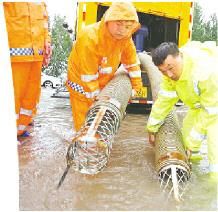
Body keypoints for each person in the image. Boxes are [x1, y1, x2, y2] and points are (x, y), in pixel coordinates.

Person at [146, 41, 218, 183]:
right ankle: (192, 171)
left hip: (214, 108)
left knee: (214, 149)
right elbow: (164, 101)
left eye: (170, 68)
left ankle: (213, 190)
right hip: (200, 107)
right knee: (186, 137)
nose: (169, 74)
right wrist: (152, 127)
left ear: (180, 56)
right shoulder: (169, 75)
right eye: (163, 71)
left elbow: (211, 112)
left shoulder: (206, 72)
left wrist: (193, 142)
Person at [66, 2, 143, 132]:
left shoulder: (125, 38)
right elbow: (88, 75)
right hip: (81, 86)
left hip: (102, 85)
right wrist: (98, 99)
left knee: (99, 125)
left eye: (127, 26)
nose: (122, 30)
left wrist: (136, 87)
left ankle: (95, 143)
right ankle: (82, 145)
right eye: (118, 24)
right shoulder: (89, 37)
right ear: (108, 20)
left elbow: (131, 62)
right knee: (84, 125)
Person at [3, 2, 52, 138]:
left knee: (30, 98)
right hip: (15, 57)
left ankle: (20, 129)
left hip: (36, 55)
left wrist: (47, 42)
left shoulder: (40, 3)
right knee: (13, 97)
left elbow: (45, 25)